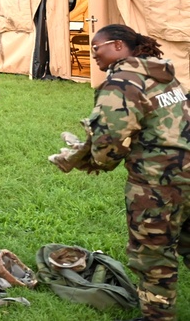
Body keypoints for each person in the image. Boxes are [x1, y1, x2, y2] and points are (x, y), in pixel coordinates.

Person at [62, 24, 190, 321]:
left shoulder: (122, 82)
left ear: (118, 46)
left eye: (97, 47)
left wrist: (84, 158)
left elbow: (110, 144)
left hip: (158, 184)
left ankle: (157, 316)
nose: (93, 53)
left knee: (153, 255)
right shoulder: (161, 73)